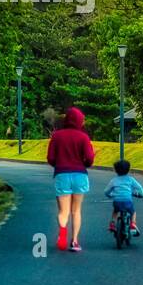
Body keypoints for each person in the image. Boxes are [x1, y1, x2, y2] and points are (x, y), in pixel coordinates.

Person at [46, 106, 95, 253]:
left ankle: (62, 232)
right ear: (79, 121)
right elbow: (90, 158)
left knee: (63, 211)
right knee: (76, 210)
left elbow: (51, 158)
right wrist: (85, 164)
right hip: (80, 175)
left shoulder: (56, 136)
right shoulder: (83, 137)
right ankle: (74, 241)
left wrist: (59, 165)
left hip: (62, 174)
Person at [105, 159, 143, 236]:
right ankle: (133, 224)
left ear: (116, 170)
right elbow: (139, 187)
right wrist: (141, 194)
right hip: (127, 201)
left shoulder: (114, 180)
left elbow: (106, 191)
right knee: (133, 212)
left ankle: (113, 224)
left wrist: (110, 195)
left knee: (115, 211)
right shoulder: (130, 179)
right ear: (128, 170)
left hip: (117, 201)